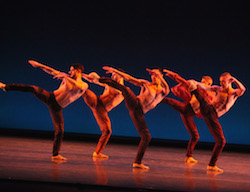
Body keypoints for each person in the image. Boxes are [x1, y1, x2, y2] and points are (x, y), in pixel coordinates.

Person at [0, 60, 88, 161]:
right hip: (50, 97)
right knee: (33, 89)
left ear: (77, 71)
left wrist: (65, 77)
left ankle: (55, 155)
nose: (69, 72)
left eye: (71, 70)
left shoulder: (83, 85)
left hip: (57, 107)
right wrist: (39, 65)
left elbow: (79, 86)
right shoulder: (66, 78)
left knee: (59, 131)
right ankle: (5, 87)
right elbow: (50, 70)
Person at [99, 66, 169, 169]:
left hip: (139, 113)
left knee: (146, 137)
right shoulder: (146, 84)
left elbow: (167, 88)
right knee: (126, 89)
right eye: (152, 75)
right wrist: (115, 71)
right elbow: (129, 78)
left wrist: (158, 76)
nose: (153, 77)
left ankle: (137, 162)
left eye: (156, 75)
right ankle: (103, 80)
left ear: (160, 76)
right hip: (135, 103)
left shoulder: (163, 90)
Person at [161, 69, 215, 164]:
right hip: (185, 109)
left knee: (195, 136)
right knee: (168, 100)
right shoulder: (196, 88)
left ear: (209, 83)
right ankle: (155, 97)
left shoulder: (211, 93)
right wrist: (174, 76)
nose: (201, 83)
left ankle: (188, 157)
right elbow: (185, 83)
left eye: (204, 82)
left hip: (189, 115)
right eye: (201, 81)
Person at [81, 71, 124, 158]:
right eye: (112, 75)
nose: (113, 77)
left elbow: (116, 89)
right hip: (97, 101)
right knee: (83, 88)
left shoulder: (120, 90)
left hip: (102, 110)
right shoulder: (109, 84)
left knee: (107, 131)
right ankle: (73, 81)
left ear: (121, 77)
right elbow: (94, 80)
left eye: (115, 76)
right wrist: (80, 74)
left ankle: (97, 153)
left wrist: (102, 80)